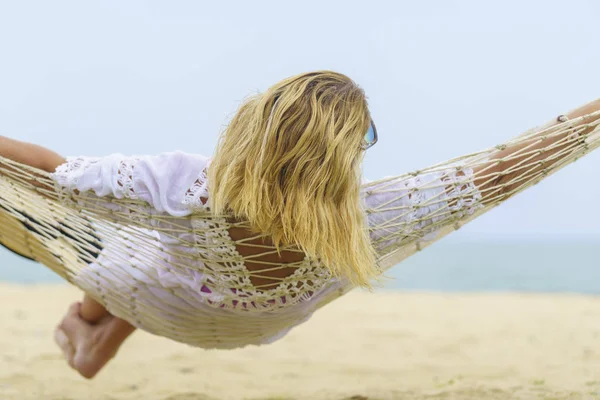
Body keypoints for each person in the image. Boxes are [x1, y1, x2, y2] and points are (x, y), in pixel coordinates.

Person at [0, 71, 598, 379]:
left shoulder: (180, 181)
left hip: (164, 300)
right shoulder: (374, 214)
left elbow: (54, 174)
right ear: (345, 151)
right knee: (145, 253)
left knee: (115, 248)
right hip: (254, 328)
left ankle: (85, 327)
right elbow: (505, 167)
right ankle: (94, 343)